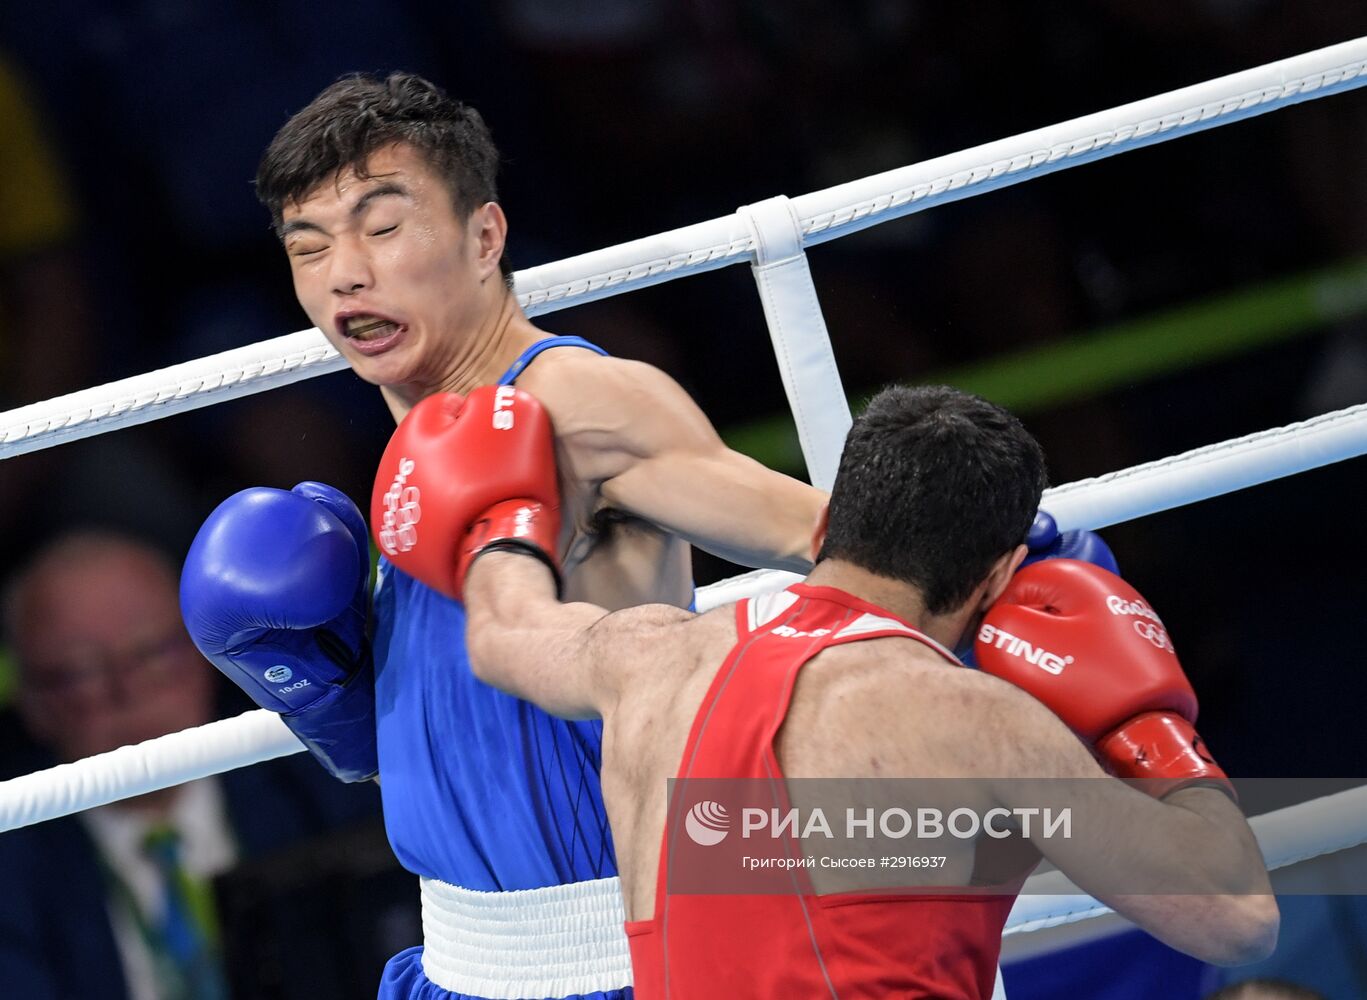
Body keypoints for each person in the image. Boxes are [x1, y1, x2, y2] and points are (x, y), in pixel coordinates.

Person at [180, 71, 825, 1000]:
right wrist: (323, 686)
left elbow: (833, 539)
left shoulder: (575, 403)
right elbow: (420, 756)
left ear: (485, 237)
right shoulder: (421, 444)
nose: (344, 273)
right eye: (308, 245)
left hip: (632, 963)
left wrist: (1020, 566)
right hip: (455, 964)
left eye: (383, 225)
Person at [406, 382, 1280, 997]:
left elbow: (502, 634)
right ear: (1000, 573)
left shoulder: (646, 659)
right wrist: (1152, 729)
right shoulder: (976, 721)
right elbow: (1233, 917)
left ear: (842, 514)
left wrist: (502, 525)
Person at [0, 531, 386, 1000]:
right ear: (32, 702)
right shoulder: (13, 871)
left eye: (153, 654)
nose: (129, 691)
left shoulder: (326, 779)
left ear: (206, 657)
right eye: (83, 672)